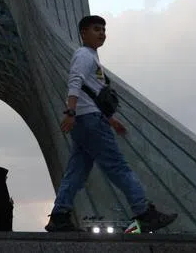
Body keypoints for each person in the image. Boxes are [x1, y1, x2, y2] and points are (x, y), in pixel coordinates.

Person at [45, 15, 177, 234]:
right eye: (96, 29)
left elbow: (91, 93)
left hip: (87, 120)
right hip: (88, 120)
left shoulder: (92, 57)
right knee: (118, 166)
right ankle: (143, 212)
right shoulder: (83, 55)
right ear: (83, 33)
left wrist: (110, 119)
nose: (102, 33)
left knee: (77, 171)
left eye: (103, 30)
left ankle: (59, 216)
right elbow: (75, 81)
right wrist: (70, 111)